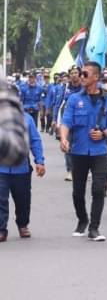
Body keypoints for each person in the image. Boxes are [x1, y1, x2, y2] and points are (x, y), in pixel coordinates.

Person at [60, 61, 107, 242]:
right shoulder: (74, 99)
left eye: (85, 74)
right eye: (80, 73)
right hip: (78, 151)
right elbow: (66, 122)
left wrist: (104, 133)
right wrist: (63, 138)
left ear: (96, 77)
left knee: (98, 190)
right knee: (78, 191)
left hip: (100, 151)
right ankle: (82, 219)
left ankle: (94, 227)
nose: (81, 77)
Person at [0, 88, 45, 242]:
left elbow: (35, 141)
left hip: (21, 168)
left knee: (23, 199)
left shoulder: (27, 119)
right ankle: (1, 229)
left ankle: (23, 225)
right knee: (0, 200)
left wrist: (40, 161)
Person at [53, 66, 83, 181]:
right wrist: (55, 120)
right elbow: (58, 104)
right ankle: (70, 170)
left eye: (76, 73)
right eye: (72, 73)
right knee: (67, 145)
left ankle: (81, 169)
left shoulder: (84, 87)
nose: (74, 75)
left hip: (81, 121)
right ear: (69, 75)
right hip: (67, 121)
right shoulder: (65, 88)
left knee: (81, 145)